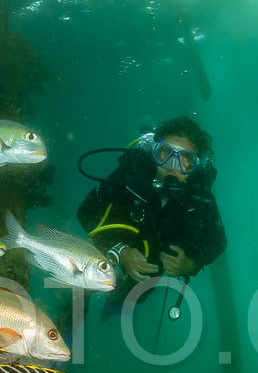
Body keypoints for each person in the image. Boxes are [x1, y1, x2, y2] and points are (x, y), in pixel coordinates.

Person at [77, 117, 226, 290]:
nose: (173, 164)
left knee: (136, 295)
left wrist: (190, 264)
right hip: (106, 254)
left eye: (185, 158)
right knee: (80, 288)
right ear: (155, 153)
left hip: (151, 271)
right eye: (165, 152)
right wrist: (121, 250)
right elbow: (85, 212)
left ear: (196, 165)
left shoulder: (200, 198)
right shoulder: (131, 176)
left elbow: (218, 242)